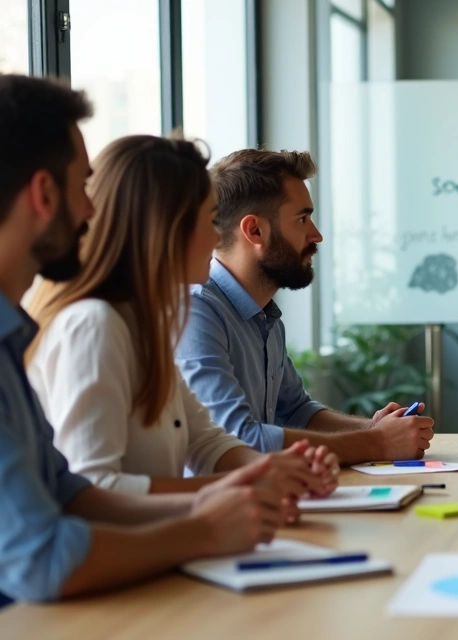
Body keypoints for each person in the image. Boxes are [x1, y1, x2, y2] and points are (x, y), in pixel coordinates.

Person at [0, 73, 290, 606]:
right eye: (81, 186)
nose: (91, 211)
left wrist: (246, 485)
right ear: (43, 193)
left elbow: (74, 494)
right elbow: (46, 554)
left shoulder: (31, 336)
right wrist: (206, 526)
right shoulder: (93, 326)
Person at [24, 135, 338, 498]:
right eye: (210, 220)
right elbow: (95, 486)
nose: (217, 239)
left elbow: (206, 442)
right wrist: (245, 485)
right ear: (166, 230)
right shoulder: (95, 325)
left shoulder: (146, 324)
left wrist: (280, 470)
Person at [175, 149, 434, 464]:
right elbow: (239, 440)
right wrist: (377, 443)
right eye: (302, 219)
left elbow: (297, 411)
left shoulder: (265, 316)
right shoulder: (196, 312)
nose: (317, 235)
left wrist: (373, 428)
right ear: (255, 230)